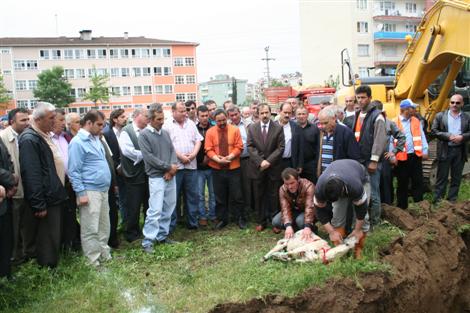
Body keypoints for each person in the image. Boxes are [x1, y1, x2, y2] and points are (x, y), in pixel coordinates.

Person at [19, 102, 68, 268]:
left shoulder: (42, 135)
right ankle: (47, 271)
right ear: (38, 119)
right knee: (46, 239)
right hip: (45, 198)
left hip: (53, 195)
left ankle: (51, 266)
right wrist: (38, 203)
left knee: (53, 237)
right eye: (51, 118)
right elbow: (32, 174)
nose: (54, 121)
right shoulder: (29, 139)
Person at [68, 110, 112, 267]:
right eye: (99, 124)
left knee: (103, 225)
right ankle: (92, 261)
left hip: (102, 189)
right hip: (89, 190)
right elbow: (73, 170)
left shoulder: (96, 139)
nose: (102, 127)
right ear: (88, 123)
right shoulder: (78, 142)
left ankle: (104, 254)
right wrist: (81, 193)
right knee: (90, 227)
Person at [139, 104, 178, 252]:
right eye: (159, 119)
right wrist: (168, 167)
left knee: (169, 207)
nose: (162, 121)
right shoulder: (144, 135)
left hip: (169, 175)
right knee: (155, 209)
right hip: (156, 177)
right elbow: (149, 158)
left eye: (163, 118)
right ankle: (148, 241)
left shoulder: (165, 133)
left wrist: (172, 168)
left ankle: (162, 235)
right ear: (150, 119)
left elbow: (171, 151)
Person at [314, 159, 370, 259]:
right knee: (337, 216)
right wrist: (331, 232)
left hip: (359, 174)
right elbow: (319, 211)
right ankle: (339, 250)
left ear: (343, 190)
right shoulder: (320, 188)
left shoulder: (355, 186)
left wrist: (357, 230)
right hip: (338, 174)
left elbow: (361, 210)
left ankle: (358, 250)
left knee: (364, 219)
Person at [164, 102, 203, 230]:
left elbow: (198, 140)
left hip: (191, 166)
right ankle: (173, 224)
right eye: (181, 111)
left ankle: (192, 222)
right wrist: (181, 156)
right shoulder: (167, 125)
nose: (185, 113)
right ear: (173, 112)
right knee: (174, 197)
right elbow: (168, 145)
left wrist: (193, 154)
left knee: (192, 195)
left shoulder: (191, 124)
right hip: (176, 167)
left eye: (185, 111)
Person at [247, 103, 285, 231]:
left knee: (274, 194)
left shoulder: (278, 128)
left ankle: (275, 222)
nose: (264, 115)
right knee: (259, 194)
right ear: (258, 114)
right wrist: (260, 161)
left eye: (266, 113)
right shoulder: (252, 128)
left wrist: (268, 161)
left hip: (273, 167)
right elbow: (250, 147)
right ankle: (261, 221)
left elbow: (281, 148)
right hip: (258, 168)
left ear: (270, 113)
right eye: (262, 113)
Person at [353, 85, 387, 225]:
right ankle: (363, 222)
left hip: (371, 162)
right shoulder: (357, 114)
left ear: (370, 98)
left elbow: (380, 139)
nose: (360, 101)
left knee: (373, 193)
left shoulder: (377, 116)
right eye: (358, 98)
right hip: (359, 161)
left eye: (363, 98)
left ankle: (375, 222)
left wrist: (374, 160)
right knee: (362, 193)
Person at [205, 109, 244, 229]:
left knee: (237, 195)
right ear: (214, 121)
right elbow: (208, 149)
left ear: (227, 117)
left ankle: (240, 218)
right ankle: (222, 219)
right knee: (219, 195)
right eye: (218, 121)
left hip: (234, 168)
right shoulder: (210, 132)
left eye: (223, 120)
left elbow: (239, 146)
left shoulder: (235, 130)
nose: (221, 123)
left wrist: (230, 157)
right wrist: (217, 159)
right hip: (217, 168)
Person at [0, 108, 29, 262]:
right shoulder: (4, 137)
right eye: (23, 120)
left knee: (25, 225)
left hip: (26, 188)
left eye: (27, 119)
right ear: (12, 122)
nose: (27, 123)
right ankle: (15, 257)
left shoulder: (27, 136)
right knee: (14, 226)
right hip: (13, 191)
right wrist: (10, 183)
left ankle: (24, 254)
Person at [432, 94, 470, 203]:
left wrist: (462, 137)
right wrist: (447, 136)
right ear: (449, 103)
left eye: (458, 103)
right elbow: (434, 131)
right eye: (452, 102)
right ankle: (438, 201)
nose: (454, 105)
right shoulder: (440, 116)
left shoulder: (467, 117)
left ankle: (452, 201)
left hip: (460, 151)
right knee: (441, 178)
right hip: (445, 149)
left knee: (456, 178)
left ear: (462, 104)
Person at [51, 109, 80, 251]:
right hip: (57, 186)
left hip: (70, 184)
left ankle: (71, 243)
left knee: (71, 214)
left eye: (64, 120)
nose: (64, 123)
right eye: (60, 120)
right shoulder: (47, 139)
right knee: (59, 217)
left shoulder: (65, 137)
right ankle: (62, 246)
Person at [118, 109, 149, 242]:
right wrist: (147, 154)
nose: (148, 118)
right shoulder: (126, 131)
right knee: (134, 205)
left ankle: (148, 230)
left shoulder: (147, 130)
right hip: (133, 175)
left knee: (149, 204)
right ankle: (131, 232)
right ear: (137, 116)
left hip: (147, 174)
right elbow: (127, 151)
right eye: (146, 116)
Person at [392, 99, 429, 210]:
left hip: (415, 156)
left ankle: (420, 207)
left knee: (418, 181)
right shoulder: (394, 122)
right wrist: (393, 156)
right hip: (402, 158)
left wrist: (425, 150)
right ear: (406, 110)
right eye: (413, 108)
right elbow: (390, 140)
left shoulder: (416, 121)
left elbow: (421, 136)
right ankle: (402, 208)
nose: (415, 110)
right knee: (402, 183)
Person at [372, 101, 406, 205]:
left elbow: (401, 137)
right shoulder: (367, 122)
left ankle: (388, 207)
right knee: (373, 184)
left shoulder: (389, 123)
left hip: (384, 158)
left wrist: (394, 152)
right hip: (370, 158)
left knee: (386, 183)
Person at [272, 168, 315, 239]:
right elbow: (285, 208)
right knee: (276, 221)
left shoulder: (308, 186)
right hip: (295, 210)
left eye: (292, 183)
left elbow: (310, 207)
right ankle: (295, 230)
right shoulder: (282, 189)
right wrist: (288, 226)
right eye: (287, 184)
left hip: (309, 211)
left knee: (301, 221)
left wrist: (307, 226)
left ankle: (312, 229)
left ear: (298, 179)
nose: (290, 187)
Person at [316, 107, 360, 176]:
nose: (323, 126)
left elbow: (354, 157)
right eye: (321, 123)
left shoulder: (346, 132)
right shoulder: (320, 133)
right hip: (324, 175)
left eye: (325, 123)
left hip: (340, 175)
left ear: (334, 118)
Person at [103, 109, 128, 229]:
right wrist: (117, 166)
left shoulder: (126, 131)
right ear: (115, 119)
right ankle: (123, 223)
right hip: (116, 171)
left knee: (127, 197)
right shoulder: (107, 134)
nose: (125, 119)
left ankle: (127, 221)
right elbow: (108, 154)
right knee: (121, 198)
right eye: (122, 117)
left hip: (128, 170)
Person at [227, 106, 251, 226]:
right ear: (228, 116)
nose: (234, 117)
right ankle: (234, 213)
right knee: (234, 187)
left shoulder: (248, 124)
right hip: (231, 161)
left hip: (246, 160)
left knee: (246, 186)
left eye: (236, 114)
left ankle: (246, 212)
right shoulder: (226, 126)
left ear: (239, 113)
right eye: (231, 115)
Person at [196, 105, 216, 226]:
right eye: (202, 116)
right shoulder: (194, 129)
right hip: (198, 167)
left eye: (206, 115)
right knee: (200, 194)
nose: (204, 118)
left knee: (213, 193)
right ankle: (202, 215)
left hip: (212, 166)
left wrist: (209, 157)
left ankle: (213, 215)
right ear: (198, 116)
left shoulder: (213, 128)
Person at [0, 139, 17, 277]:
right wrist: (10, 178)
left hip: (5, 198)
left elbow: (8, 160)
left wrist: (10, 186)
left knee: (6, 240)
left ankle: (6, 274)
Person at [295, 106, 320, 183]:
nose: (301, 116)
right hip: (295, 164)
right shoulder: (292, 128)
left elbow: (318, 147)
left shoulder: (314, 128)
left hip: (310, 164)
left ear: (307, 115)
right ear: (295, 115)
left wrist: (316, 164)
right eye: (299, 114)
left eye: (303, 114)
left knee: (312, 186)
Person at [276, 102, 303, 171]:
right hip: (275, 163)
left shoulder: (295, 126)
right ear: (279, 112)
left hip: (290, 162)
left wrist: (299, 164)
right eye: (285, 112)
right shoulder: (272, 126)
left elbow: (300, 147)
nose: (287, 115)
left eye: (289, 113)